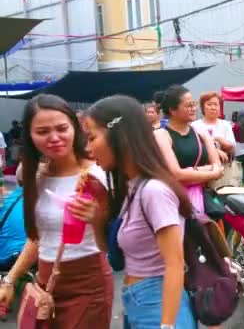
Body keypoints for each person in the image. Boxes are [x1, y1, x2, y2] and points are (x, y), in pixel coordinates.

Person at [0, 94, 113, 328]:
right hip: (45, 287)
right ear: (29, 136)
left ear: (75, 127)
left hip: (89, 284)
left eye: (62, 128)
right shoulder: (36, 177)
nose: (54, 138)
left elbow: (116, 241)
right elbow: (36, 238)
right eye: (42, 132)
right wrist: (9, 281)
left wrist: (97, 218)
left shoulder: (97, 175)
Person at [85, 95, 197, 329]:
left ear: (120, 136)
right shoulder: (131, 189)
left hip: (158, 307)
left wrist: (166, 325)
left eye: (92, 137)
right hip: (136, 303)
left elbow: (175, 264)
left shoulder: (153, 191)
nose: (88, 148)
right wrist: (95, 221)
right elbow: (118, 258)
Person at [153, 85, 223, 187]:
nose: (194, 109)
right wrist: (208, 171)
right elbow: (176, 175)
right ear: (172, 110)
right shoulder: (161, 134)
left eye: (194, 104)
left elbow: (218, 168)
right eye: (189, 106)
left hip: (201, 195)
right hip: (174, 196)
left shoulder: (201, 133)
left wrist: (190, 172)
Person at [191, 92, 235, 163]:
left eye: (216, 104)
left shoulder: (226, 124)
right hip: (202, 167)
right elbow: (193, 148)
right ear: (203, 107)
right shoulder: (195, 125)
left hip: (224, 166)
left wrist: (218, 139)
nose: (213, 107)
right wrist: (215, 151)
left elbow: (231, 146)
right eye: (209, 104)